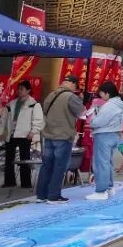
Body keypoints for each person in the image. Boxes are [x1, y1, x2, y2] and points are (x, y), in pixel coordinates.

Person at [36, 75, 86, 204]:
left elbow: (45, 110)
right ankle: (53, 196)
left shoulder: (51, 95)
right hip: (63, 135)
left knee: (47, 165)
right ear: (73, 84)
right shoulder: (71, 97)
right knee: (59, 166)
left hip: (49, 134)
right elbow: (82, 113)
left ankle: (41, 195)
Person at [85, 82, 123, 201]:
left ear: (107, 93)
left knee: (101, 164)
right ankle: (109, 187)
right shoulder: (121, 104)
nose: (101, 96)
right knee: (107, 162)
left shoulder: (110, 106)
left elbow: (98, 122)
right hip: (114, 134)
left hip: (104, 135)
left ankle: (101, 191)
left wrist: (93, 117)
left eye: (101, 93)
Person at [0, 81, 43, 189]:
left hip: (25, 134)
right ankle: (9, 181)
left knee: (24, 158)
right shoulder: (11, 104)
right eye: (18, 89)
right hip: (11, 134)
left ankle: (26, 183)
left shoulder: (34, 104)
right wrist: (1, 132)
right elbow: (3, 119)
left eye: (21, 89)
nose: (19, 91)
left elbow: (38, 120)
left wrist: (33, 131)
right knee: (9, 158)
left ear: (28, 90)